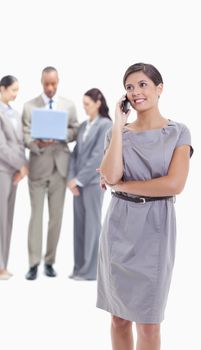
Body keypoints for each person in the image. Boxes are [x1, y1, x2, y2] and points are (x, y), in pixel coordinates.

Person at [96, 63, 193, 350]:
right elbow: (110, 175)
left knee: (149, 325)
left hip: (155, 228)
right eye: (129, 87)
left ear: (159, 89)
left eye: (143, 85)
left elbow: (174, 184)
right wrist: (117, 124)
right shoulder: (118, 134)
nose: (136, 92)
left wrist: (123, 186)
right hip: (118, 227)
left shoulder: (179, 133)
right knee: (118, 319)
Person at [22, 66, 79, 280]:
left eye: (53, 83)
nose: (50, 88)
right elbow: (24, 134)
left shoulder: (69, 106)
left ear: (58, 82)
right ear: (41, 82)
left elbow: (75, 130)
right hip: (38, 166)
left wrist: (62, 134)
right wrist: (37, 142)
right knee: (36, 216)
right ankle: (33, 264)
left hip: (60, 169)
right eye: (46, 84)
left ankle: (49, 262)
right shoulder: (29, 107)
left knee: (56, 218)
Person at [0, 75, 28, 280]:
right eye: (13, 90)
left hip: (15, 171)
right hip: (1, 170)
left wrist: (23, 167)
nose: (15, 94)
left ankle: (4, 263)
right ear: (2, 89)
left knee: (8, 217)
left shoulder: (15, 113)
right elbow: (0, 146)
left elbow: (20, 143)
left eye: (17, 90)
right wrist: (19, 164)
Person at [67, 88, 112, 280]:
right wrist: (71, 180)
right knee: (79, 225)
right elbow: (75, 154)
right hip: (77, 184)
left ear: (98, 103)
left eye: (87, 104)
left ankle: (90, 271)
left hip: (93, 182)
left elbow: (98, 157)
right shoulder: (84, 126)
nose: (84, 108)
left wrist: (79, 179)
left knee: (92, 225)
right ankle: (78, 268)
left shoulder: (106, 125)